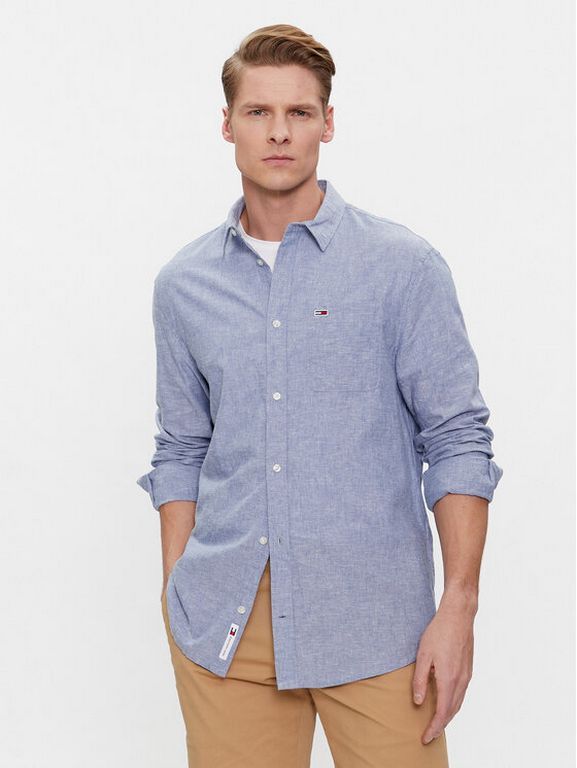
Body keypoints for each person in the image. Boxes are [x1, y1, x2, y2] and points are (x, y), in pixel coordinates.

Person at [136, 23, 503, 768]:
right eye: (258, 112)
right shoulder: (183, 285)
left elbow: (456, 438)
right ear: (227, 124)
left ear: (327, 124)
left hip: (376, 625)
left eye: (299, 112)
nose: (278, 132)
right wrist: (178, 587)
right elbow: (181, 447)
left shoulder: (401, 268)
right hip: (226, 628)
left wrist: (458, 606)